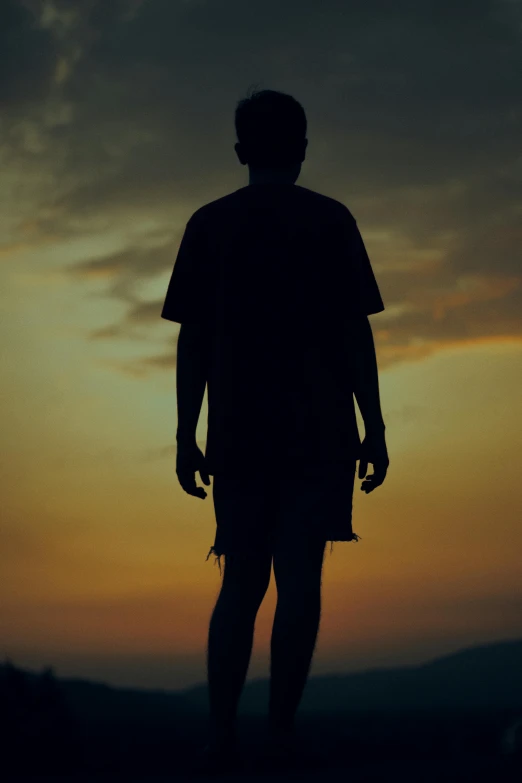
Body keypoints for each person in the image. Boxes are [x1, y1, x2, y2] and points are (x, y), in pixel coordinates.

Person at [161, 87, 389, 773]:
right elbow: (356, 337)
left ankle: (220, 732)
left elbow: (193, 342)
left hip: (238, 428)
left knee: (239, 584)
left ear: (239, 151)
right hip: (318, 428)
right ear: (303, 148)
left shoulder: (209, 224)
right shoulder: (331, 220)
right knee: (300, 581)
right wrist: (373, 427)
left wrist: (183, 432)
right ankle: (281, 730)